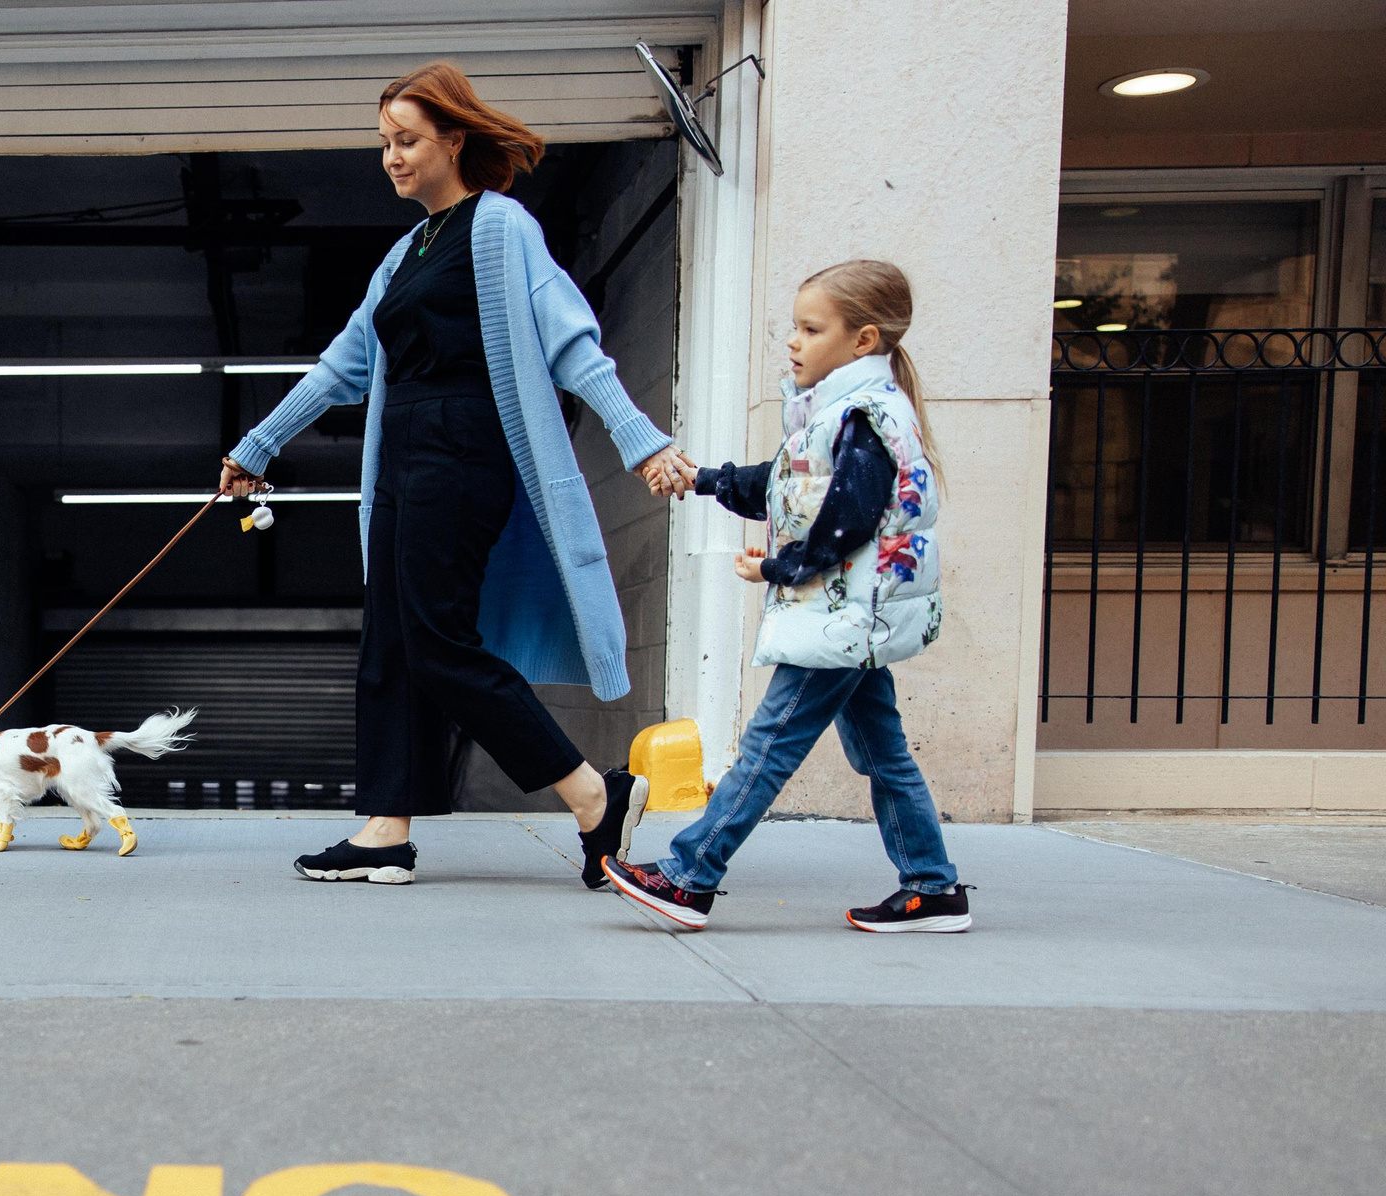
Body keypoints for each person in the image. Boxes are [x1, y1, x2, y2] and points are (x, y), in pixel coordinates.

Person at [216, 62, 692, 888]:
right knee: (391, 641)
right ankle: (385, 828)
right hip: (400, 455)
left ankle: (593, 794)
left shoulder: (501, 227)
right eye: (384, 144)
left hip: (464, 448)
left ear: (454, 139)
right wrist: (256, 445)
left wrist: (641, 440)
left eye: (407, 140)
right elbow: (342, 368)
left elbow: (571, 341)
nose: (392, 158)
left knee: (437, 639)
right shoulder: (405, 253)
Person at [604, 259, 970, 934]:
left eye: (811, 328)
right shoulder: (838, 413)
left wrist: (780, 567)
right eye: (794, 327)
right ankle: (932, 886)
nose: (794, 342)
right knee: (884, 755)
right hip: (854, 616)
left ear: (862, 340)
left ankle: (688, 877)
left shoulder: (863, 415)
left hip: (841, 617)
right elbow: (784, 486)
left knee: (768, 745)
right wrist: (703, 479)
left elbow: (847, 519)